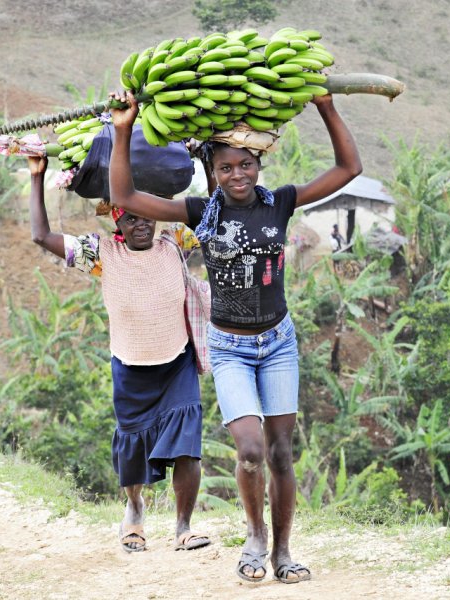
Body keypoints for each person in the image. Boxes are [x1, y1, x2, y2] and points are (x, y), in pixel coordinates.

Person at [108, 90, 361, 583]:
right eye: (226, 169)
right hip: (230, 349)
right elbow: (126, 198)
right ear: (214, 172)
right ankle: (255, 536)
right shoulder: (202, 213)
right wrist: (123, 128)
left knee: (282, 452)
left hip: (278, 343)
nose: (237, 175)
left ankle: (284, 552)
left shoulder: (281, 202)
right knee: (249, 450)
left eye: (245, 165)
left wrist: (327, 107)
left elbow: (348, 169)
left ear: (258, 164)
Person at [27, 154, 211, 554]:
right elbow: (41, 236)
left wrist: (206, 159)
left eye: (146, 216)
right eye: (130, 218)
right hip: (131, 368)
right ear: (117, 222)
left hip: (177, 363)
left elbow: (214, 216)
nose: (140, 225)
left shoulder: (174, 243)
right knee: (132, 450)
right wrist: (37, 177)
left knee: (187, 445)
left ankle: (183, 527)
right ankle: (135, 509)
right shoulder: (101, 254)